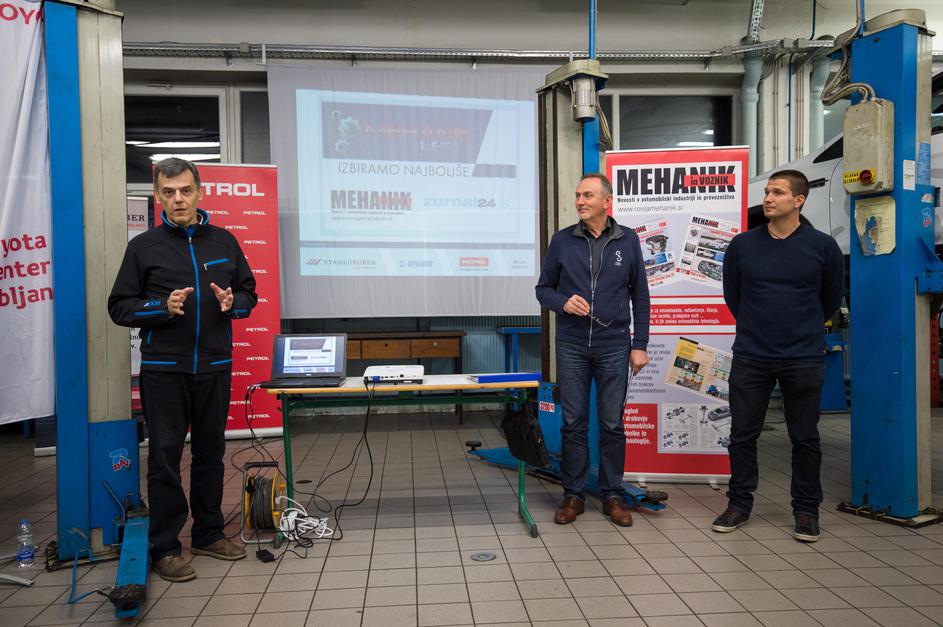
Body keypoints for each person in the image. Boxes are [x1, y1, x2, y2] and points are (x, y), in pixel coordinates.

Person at [109, 158, 258, 581]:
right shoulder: (144, 247)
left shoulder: (224, 241)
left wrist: (233, 303)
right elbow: (119, 306)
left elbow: (249, 292)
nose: (178, 199)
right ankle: (165, 546)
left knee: (211, 453)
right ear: (158, 197)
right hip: (164, 371)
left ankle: (209, 534)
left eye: (186, 190)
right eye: (169, 192)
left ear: (199, 193)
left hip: (214, 367)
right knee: (165, 458)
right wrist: (161, 307)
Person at [713, 169, 843, 543]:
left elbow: (830, 299)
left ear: (798, 200)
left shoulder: (823, 247)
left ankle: (806, 510)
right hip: (752, 354)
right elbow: (733, 296)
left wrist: (801, 328)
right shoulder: (742, 245)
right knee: (742, 435)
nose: (768, 198)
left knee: (805, 438)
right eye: (767, 191)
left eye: (777, 192)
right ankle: (739, 504)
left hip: (803, 356)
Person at [536, 173, 650, 527]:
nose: (580, 201)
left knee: (612, 424)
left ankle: (612, 495)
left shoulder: (628, 239)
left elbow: (640, 295)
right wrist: (562, 302)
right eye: (577, 195)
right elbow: (543, 289)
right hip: (571, 345)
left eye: (587, 195)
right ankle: (573, 495)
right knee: (573, 424)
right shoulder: (563, 240)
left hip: (614, 345)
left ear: (606, 201)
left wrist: (640, 345)